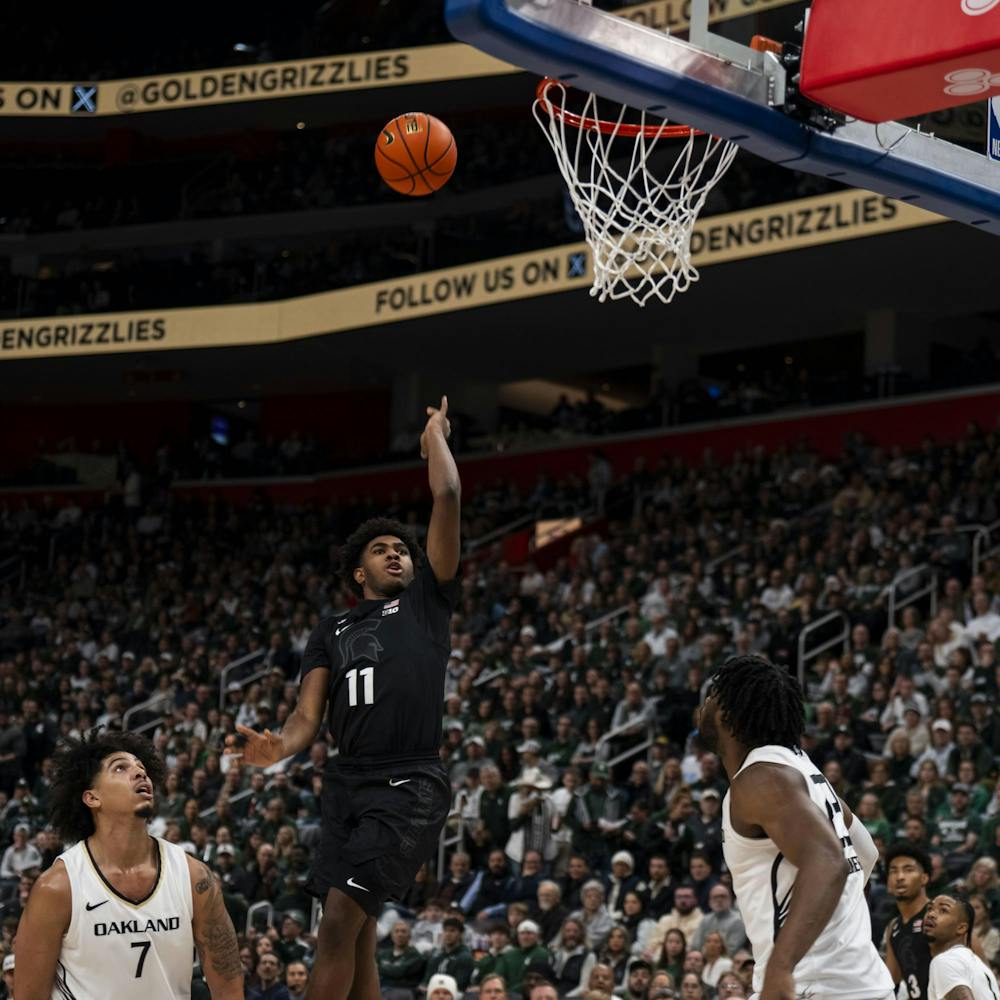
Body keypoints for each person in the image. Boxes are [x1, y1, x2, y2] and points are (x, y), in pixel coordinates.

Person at [227, 396, 461, 1000]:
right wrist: (278, 747)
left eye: (402, 549)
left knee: (336, 923)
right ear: (358, 572)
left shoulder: (427, 604)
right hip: (345, 781)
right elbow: (308, 715)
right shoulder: (330, 630)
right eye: (382, 549)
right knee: (354, 932)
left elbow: (449, 497)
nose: (397, 553)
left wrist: (434, 433)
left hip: (408, 779)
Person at [698, 654, 893, 1000]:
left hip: (815, 987)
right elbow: (865, 853)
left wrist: (781, 966)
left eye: (712, 694)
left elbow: (829, 861)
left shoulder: (761, 779)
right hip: (859, 983)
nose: (704, 703)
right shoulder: (802, 770)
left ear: (729, 711)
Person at [13, 731, 243, 999]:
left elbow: (229, 986)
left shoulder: (193, 877)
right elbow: (29, 995)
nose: (139, 773)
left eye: (142, 768)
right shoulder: (58, 887)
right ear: (92, 798)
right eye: (121, 768)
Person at [923, 894, 1000, 999]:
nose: (931, 914)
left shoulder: (946, 961)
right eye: (930, 908)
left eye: (943, 910)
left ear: (961, 928)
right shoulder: (976, 963)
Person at [883, 844, 932, 1000]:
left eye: (908, 870)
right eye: (893, 871)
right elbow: (891, 983)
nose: (900, 877)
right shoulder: (893, 927)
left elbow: (980, 969)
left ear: (924, 878)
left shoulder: (942, 916)